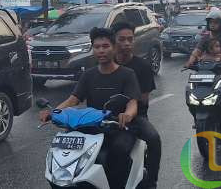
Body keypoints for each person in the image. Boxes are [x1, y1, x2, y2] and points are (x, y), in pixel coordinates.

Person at [40, 27, 141, 189]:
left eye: (105, 46)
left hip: (118, 126)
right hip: (90, 126)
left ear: (114, 48)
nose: (101, 50)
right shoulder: (88, 75)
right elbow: (73, 100)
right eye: (97, 47)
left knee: (119, 150)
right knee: (62, 148)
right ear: (93, 49)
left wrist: (127, 115)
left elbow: (132, 102)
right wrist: (54, 113)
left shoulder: (127, 74)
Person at [112, 22, 161, 189]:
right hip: (106, 116)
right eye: (122, 39)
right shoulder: (106, 64)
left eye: (130, 39)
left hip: (136, 117)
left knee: (154, 139)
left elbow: (143, 100)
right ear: (114, 41)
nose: (126, 43)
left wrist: (127, 108)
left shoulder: (142, 67)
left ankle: (151, 180)